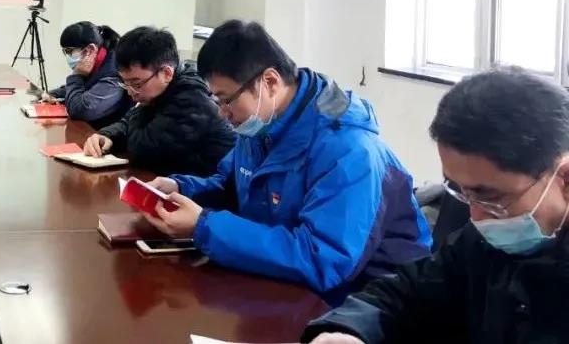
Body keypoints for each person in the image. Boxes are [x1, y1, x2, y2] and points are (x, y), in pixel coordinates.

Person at [144, 20, 431, 298]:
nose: (222, 112)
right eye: (216, 100)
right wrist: (182, 190)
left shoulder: (350, 151)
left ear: (269, 81)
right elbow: (232, 186)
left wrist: (204, 226)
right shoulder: (260, 124)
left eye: (226, 99)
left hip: (368, 301)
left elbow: (323, 259)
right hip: (288, 282)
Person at [302, 67, 569, 344]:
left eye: (491, 197)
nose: (475, 216)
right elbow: (409, 291)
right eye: (460, 191)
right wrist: (347, 330)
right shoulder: (484, 241)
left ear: (564, 179)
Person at [82, 26, 235, 176]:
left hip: (213, 187)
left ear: (166, 73)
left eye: (136, 84)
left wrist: (140, 108)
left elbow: (143, 151)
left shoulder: (191, 99)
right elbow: (129, 122)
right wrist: (107, 135)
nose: (130, 91)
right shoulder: (160, 91)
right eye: (125, 83)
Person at [39, 21, 132, 128]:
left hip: (104, 135)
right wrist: (52, 95)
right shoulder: (98, 60)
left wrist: (77, 75)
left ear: (90, 49)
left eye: (69, 51)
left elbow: (80, 111)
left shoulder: (113, 74)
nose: (67, 56)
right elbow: (84, 87)